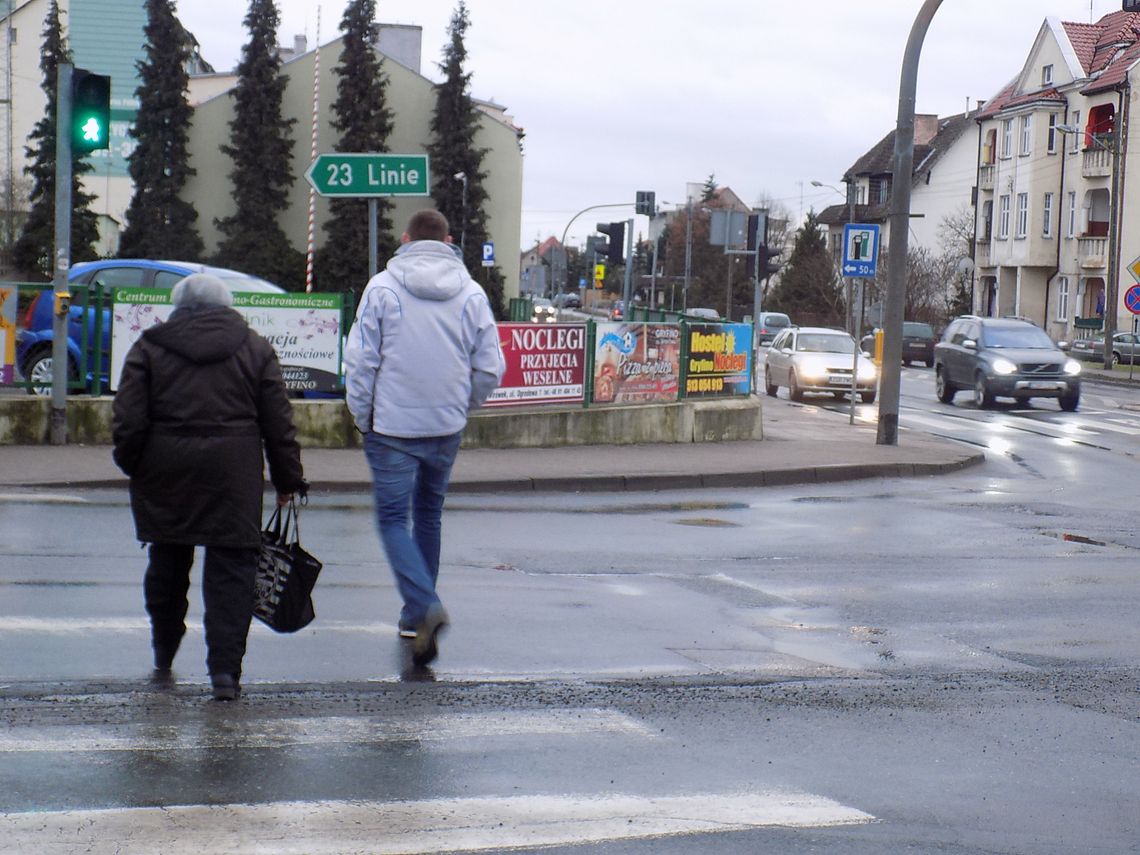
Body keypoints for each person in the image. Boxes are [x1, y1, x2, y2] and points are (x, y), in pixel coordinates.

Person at [112, 273, 306, 700]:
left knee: (167, 562)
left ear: (178, 306)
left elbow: (128, 420)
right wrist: (288, 478)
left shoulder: (149, 346)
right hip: (232, 475)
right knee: (232, 574)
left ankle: (164, 648)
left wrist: (133, 464)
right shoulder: (254, 348)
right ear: (227, 305)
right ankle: (224, 674)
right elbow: (278, 421)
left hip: (165, 470)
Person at [345, 208, 504, 668]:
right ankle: (415, 616)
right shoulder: (471, 293)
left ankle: (424, 607)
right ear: (449, 240)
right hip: (445, 426)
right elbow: (490, 368)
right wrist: (462, 405)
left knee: (393, 521)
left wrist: (362, 416)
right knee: (428, 516)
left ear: (405, 239)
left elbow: (361, 362)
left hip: (391, 427)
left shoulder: (383, 287)